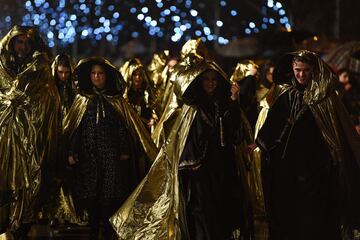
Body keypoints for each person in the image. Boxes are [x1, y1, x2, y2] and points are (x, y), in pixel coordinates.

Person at [110, 52, 253, 240]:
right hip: (198, 171)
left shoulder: (224, 104)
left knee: (221, 212)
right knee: (200, 211)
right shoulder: (192, 108)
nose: (210, 83)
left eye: (214, 80)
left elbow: (235, 134)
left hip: (221, 168)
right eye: (206, 79)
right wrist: (191, 161)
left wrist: (234, 102)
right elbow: (185, 139)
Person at [255, 50, 360, 240]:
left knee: (315, 217)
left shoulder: (326, 98)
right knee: (290, 215)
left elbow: (338, 133)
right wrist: (260, 144)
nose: (301, 75)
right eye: (297, 70)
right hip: (288, 169)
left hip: (317, 169)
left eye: (305, 70)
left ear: (313, 71)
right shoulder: (286, 95)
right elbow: (272, 127)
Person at [63, 57, 157, 240]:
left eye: (100, 73)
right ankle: (92, 231)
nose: (97, 77)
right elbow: (75, 129)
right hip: (88, 157)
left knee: (109, 199)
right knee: (90, 198)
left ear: (107, 76)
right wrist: (72, 152)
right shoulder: (82, 100)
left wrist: (124, 150)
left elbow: (124, 127)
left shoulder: (116, 101)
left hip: (111, 157)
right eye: (93, 73)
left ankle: (106, 232)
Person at [0, 25, 60, 239]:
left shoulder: (40, 69)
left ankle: (22, 220)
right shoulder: (2, 65)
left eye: (26, 42)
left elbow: (47, 100)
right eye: (19, 42)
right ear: (11, 43)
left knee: (26, 179)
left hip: (29, 134)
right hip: (4, 133)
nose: (22, 46)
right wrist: (9, 102)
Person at [120, 58, 157, 131]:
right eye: (135, 75)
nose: (138, 77)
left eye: (140, 75)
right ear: (130, 76)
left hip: (146, 130)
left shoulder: (147, 93)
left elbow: (153, 109)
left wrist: (153, 119)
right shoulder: (125, 95)